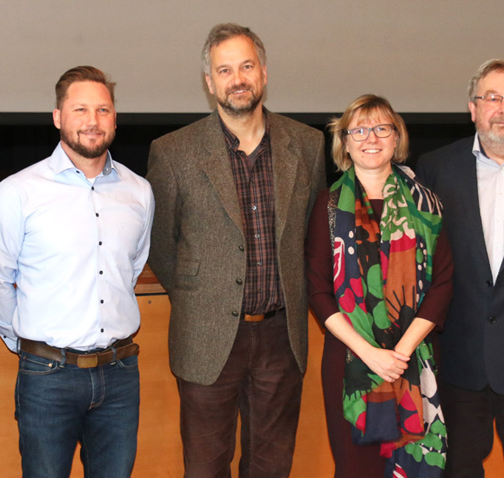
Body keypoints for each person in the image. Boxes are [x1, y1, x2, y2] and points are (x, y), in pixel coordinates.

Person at [146, 23, 325, 477]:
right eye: (225, 69)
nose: (237, 77)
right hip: (206, 339)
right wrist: (206, 296)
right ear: (210, 83)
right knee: (205, 467)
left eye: (246, 66)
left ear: (263, 73)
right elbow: (162, 247)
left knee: (271, 467)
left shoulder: (306, 145)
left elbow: (312, 236)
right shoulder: (174, 152)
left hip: (281, 340)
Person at [0, 65, 154, 478]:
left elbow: (130, 267)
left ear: (115, 118)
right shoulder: (16, 193)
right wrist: (25, 342)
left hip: (121, 372)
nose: (92, 121)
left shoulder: (139, 191)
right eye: (80, 110)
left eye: (103, 110)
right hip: (47, 377)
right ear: (58, 117)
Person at [416, 59, 504, 478]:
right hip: (458, 361)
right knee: (456, 470)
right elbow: (422, 266)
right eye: (492, 97)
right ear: (473, 108)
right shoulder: (435, 169)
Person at [306, 94, 452, 477]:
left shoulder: (427, 205)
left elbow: (442, 283)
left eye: (381, 128)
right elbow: (319, 290)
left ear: (396, 137)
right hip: (350, 362)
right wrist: (370, 353)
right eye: (359, 129)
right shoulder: (327, 205)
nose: (371, 138)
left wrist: (399, 353)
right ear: (345, 142)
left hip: (414, 359)